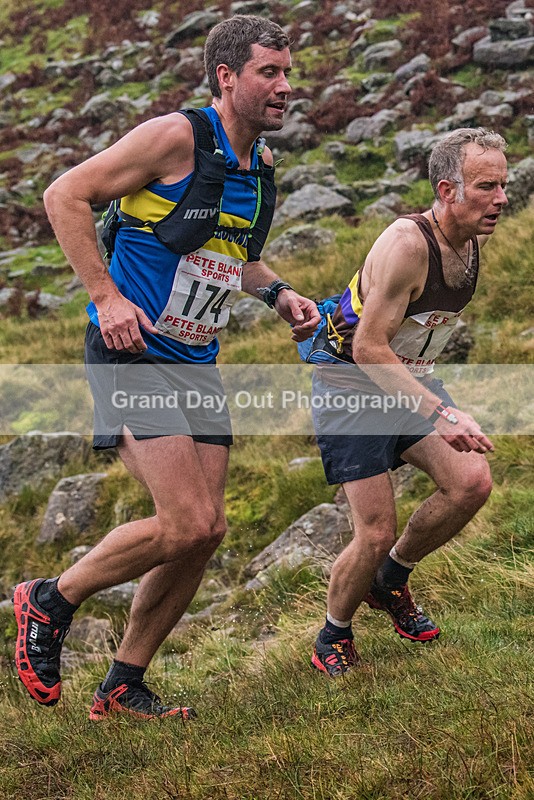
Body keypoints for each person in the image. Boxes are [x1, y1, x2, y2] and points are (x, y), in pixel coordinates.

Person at [13, 15, 320, 719]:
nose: (285, 86)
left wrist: (278, 294)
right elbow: (64, 194)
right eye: (270, 72)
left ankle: (124, 683)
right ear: (226, 77)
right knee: (183, 521)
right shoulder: (176, 137)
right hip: (134, 351)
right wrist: (105, 296)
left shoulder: (258, 166)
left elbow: (228, 256)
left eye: (288, 72)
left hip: (196, 362)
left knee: (206, 531)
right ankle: (48, 600)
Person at [309, 127, 508, 676]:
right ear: (447, 190)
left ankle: (390, 580)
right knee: (374, 530)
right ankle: (333, 634)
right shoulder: (405, 246)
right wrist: (442, 412)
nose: (501, 199)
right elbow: (368, 346)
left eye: (503, 185)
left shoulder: (472, 237)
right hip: (351, 382)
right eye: (486, 186)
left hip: (405, 378)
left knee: (471, 482)